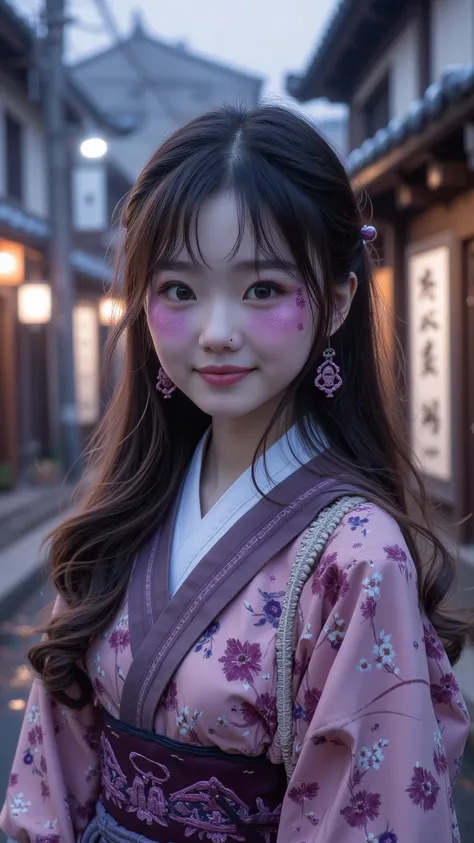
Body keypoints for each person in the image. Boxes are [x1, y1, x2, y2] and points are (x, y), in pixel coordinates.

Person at [1, 105, 470, 843]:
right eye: (180, 291)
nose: (217, 332)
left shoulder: (357, 554)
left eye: (261, 290)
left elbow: (370, 812)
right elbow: (52, 763)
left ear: (338, 301)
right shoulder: (130, 508)